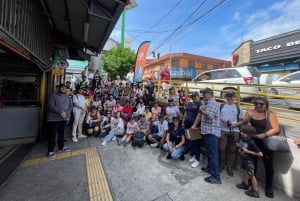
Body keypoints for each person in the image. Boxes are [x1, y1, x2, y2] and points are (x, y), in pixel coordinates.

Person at [234, 97, 280, 198]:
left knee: (268, 165)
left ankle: (269, 187)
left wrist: (264, 134)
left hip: (266, 142)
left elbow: (276, 129)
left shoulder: (270, 114)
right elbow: (245, 123)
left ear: (266, 105)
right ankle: (249, 182)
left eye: (261, 104)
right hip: (252, 142)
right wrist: (248, 114)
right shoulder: (251, 112)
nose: (258, 106)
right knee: (251, 163)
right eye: (256, 104)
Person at [195, 88, 222, 184]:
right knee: (210, 153)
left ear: (210, 94)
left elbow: (210, 116)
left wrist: (202, 111)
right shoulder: (207, 103)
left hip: (211, 133)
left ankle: (216, 177)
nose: (203, 95)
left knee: (213, 155)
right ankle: (210, 169)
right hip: (207, 132)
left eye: (205, 93)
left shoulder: (213, 103)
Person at [219, 90, 244, 176]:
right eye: (228, 96)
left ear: (234, 97)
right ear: (226, 97)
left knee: (232, 150)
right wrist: (224, 120)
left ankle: (229, 166)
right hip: (223, 130)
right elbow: (218, 116)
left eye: (231, 96)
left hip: (234, 131)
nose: (230, 98)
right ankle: (222, 164)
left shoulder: (238, 108)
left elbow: (241, 120)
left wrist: (235, 125)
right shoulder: (221, 106)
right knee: (222, 148)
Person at [236, 125, 263, 198]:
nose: (241, 133)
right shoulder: (243, 139)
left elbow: (260, 154)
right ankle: (245, 184)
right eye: (241, 131)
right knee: (244, 171)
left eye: (243, 132)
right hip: (244, 159)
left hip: (249, 161)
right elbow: (243, 147)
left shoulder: (251, 142)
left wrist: (248, 151)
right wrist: (239, 147)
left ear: (248, 134)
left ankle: (255, 191)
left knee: (252, 175)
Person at [46, 84, 73, 158]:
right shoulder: (53, 95)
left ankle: (61, 147)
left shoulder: (68, 97)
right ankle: (50, 151)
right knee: (52, 135)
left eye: (65, 88)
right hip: (53, 119)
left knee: (61, 134)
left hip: (63, 118)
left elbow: (71, 107)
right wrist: (60, 112)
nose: (63, 89)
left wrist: (66, 113)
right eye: (62, 88)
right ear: (59, 88)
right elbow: (50, 106)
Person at [184, 92, 202, 168]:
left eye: (195, 96)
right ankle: (195, 156)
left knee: (196, 143)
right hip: (187, 125)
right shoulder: (190, 104)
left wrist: (195, 125)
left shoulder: (200, 104)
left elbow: (200, 116)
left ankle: (197, 159)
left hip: (194, 126)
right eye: (192, 96)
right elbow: (186, 112)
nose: (194, 97)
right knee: (191, 142)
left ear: (198, 96)